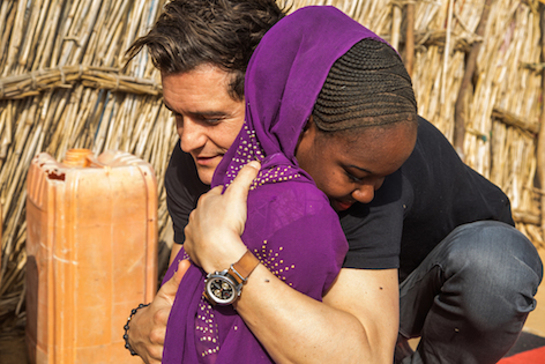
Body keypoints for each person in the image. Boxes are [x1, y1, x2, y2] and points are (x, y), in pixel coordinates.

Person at [124, 2, 543, 364]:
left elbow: (362, 355)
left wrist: (224, 255)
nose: (188, 140)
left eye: (212, 119)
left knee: (494, 267)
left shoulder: (358, 169)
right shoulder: (197, 159)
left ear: (274, 93)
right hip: (304, 292)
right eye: (177, 115)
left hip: (417, 287)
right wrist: (140, 324)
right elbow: (181, 296)